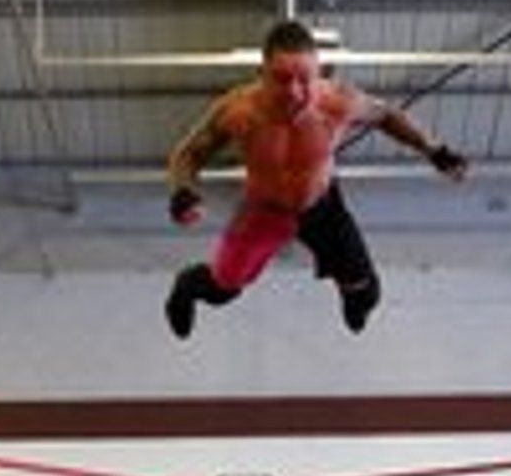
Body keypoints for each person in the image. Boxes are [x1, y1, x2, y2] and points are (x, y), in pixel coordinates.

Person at [164, 18, 468, 339]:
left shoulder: (337, 102)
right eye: (282, 80)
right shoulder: (239, 112)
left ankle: (352, 296)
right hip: (263, 210)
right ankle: (185, 287)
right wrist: (181, 191)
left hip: (321, 208)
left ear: (318, 74)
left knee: (366, 293)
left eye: (304, 80)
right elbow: (187, 154)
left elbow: (386, 116)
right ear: (262, 75)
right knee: (221, 289)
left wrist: (434, 149)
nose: (295, 93)